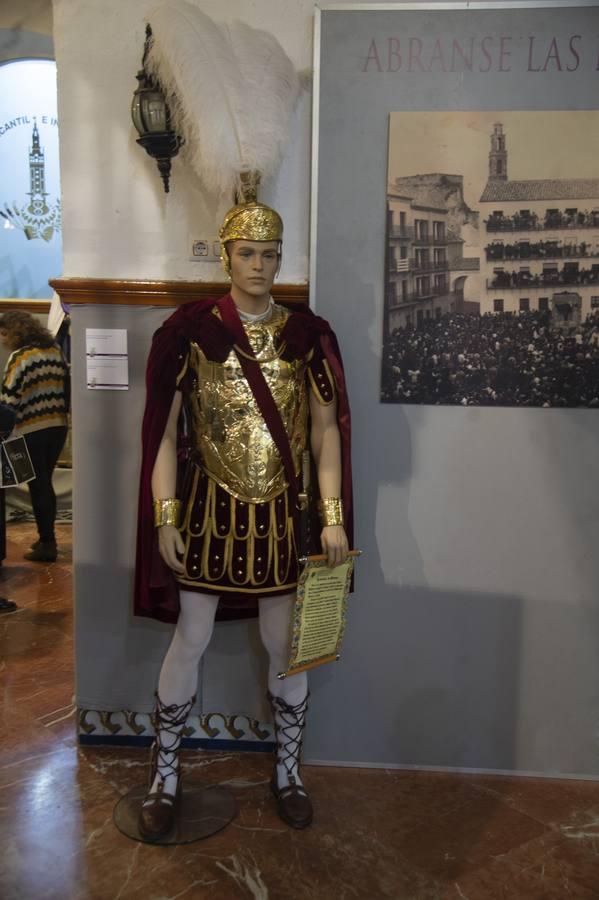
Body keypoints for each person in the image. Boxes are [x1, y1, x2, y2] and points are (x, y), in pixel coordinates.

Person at [134, 200, 352, 840]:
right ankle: (165, 772)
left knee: (285, 646)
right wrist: (165, 515)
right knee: (192, 637)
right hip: (207, 511)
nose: (260, 265)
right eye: (248, 253)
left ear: (281, 258)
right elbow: (163, 435)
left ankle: (288, 771)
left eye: (270, 253)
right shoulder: (191, 333)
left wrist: (333, 516)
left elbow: (325, 435)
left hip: (285, 516)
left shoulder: (305, 336)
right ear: (227, 255)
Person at [0, 311, 69, 562]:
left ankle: (47, 542)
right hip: (57, 427)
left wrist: (3, 433)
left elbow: (9, 400)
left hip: (31, 429)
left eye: (4, 333)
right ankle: (46, 539)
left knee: (37, 485)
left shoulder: (20, 358)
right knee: (44, 482)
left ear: (14, 331)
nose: (3, 339)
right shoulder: (55, 351)